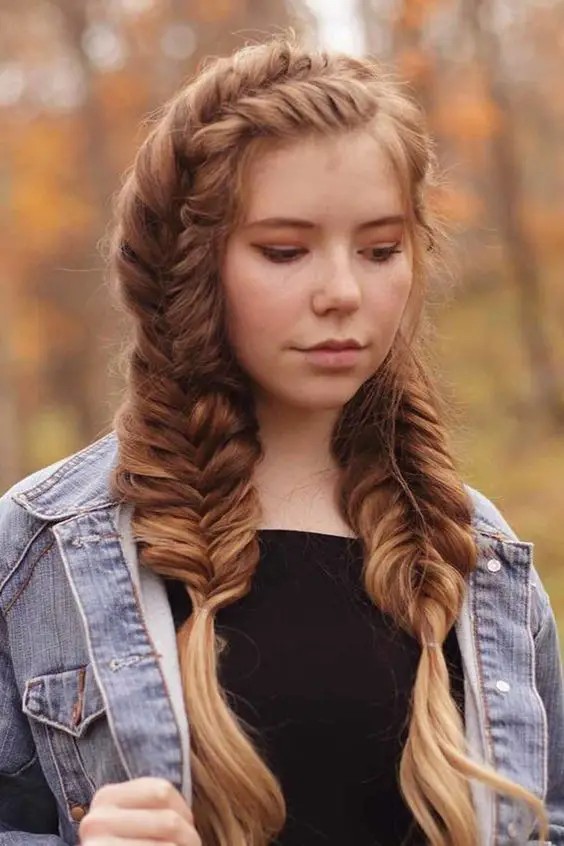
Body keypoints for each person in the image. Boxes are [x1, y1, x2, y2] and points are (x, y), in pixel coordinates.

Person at [0, 34, 562, 846]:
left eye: (380, 249)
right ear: (190, 268)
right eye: (285, 251)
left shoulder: (478, 555)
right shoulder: (43, 550)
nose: (342, 292)